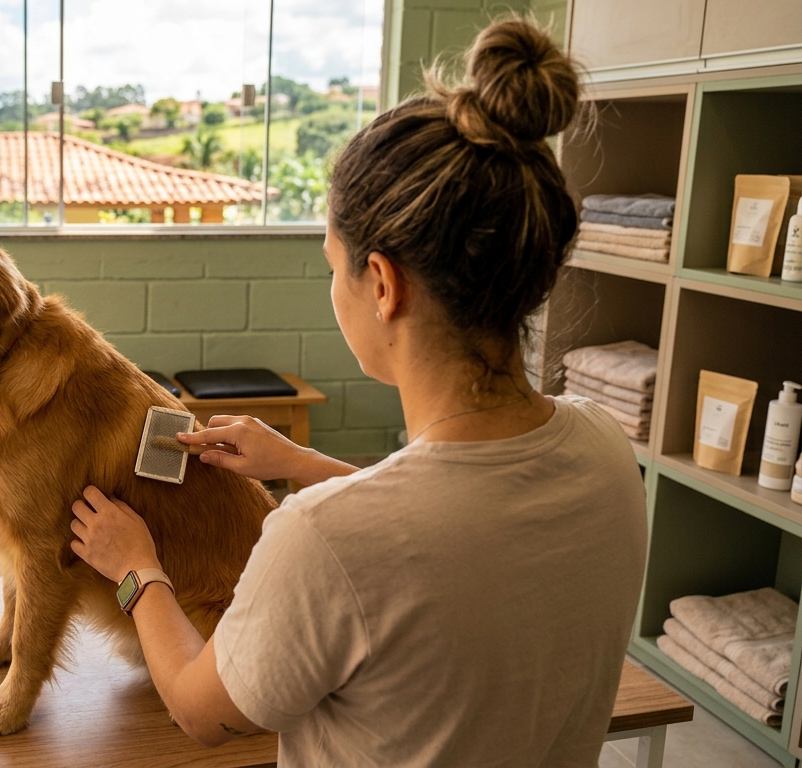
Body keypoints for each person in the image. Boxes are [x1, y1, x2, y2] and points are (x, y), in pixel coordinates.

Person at [69, 18, 648, 768]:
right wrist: (301, 464)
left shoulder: (320, 540)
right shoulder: (606, 448)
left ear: (382, 283)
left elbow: (197, 708)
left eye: (330, 263)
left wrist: (136, 567)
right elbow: (461, 526)